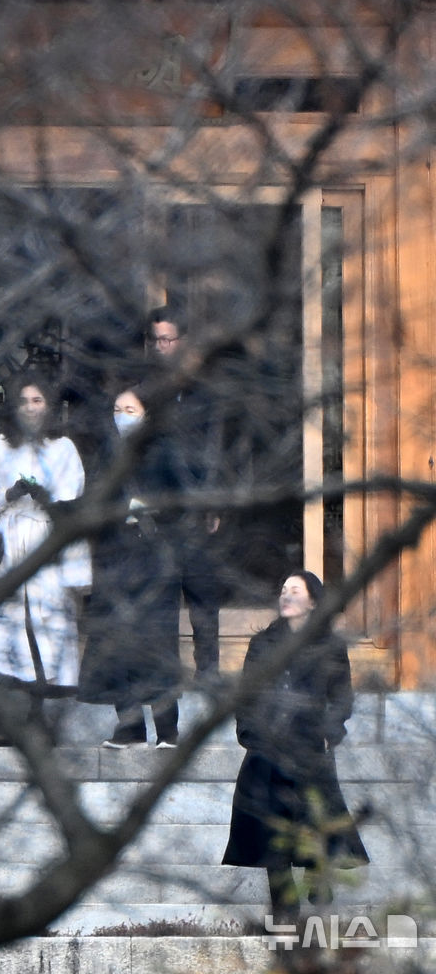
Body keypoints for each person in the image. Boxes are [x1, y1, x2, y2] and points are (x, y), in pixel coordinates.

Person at [222, 571, 369, 921]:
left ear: (313, 601)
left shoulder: (330, 646)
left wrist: (329, 732)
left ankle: (319, 899)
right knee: (272, 833)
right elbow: (247, 696)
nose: (285, 596)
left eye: (295, 590)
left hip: (309, 751)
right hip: (267, 752)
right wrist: (251, 736)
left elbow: (342, 698)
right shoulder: (263, 644)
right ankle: (284, 911)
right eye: (283, 589)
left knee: (315, 827)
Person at [0, 370, 91, 746]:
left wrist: (49, 498)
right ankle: (4, 718)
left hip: (47, 541)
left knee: (44, 629)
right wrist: (7, 496)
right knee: (4, 627)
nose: (31, 408)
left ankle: (37, 718)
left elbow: (74, 499)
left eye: (38, 400)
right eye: (24, 401)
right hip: (9, 540)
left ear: (49, 406)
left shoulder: (64, 448)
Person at [78, 385, 183, 748]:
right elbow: (93, 498)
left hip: (155, 563)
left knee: (156, 645)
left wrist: (153, 507)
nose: (121, 416)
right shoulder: (108, 454)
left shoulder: (166, 450)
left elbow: (184, 500)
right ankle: (129, 726)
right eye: (117, 409)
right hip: (116, 562)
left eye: (130, 409)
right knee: (117, 644)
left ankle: (167, 728)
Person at [146, 304, 224, 681]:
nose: (160, 347)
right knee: (159, 599)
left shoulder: (203, 388)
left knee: (202, 594)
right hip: (155, 507)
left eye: (167, 339)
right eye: (156, 340)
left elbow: (214, 446)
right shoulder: (144, 388)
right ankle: (164, 671)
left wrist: (211, 500)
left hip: (195, 505)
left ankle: (207, 670)